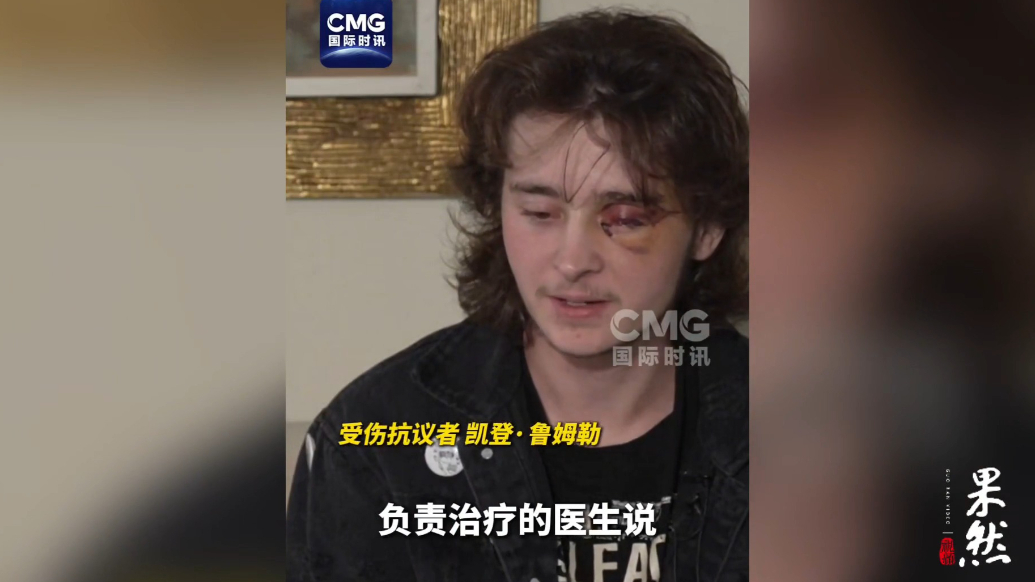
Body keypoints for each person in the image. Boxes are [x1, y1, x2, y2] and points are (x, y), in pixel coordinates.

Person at [287, 9, 748, 582]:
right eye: (539, 213)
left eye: (626, 219)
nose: (573, 261)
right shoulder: (374, 445)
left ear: (706, 229)